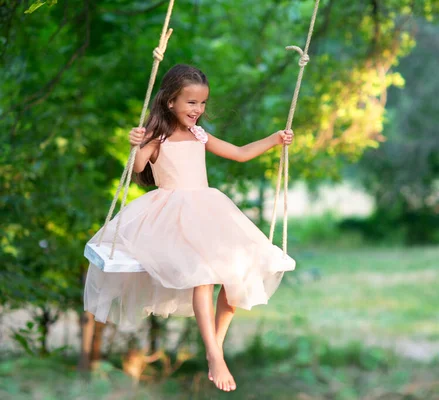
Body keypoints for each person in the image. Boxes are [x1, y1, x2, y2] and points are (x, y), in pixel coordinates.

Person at [84, 64, 296, 392]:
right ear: (170, 102)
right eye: (191, 103)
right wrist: (135, 143)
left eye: (202, 103)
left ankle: (216, 347)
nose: (198, 110)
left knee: (236, 275)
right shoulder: (159, 137)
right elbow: (139, 167)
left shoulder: (200, 134)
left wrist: (275, 139)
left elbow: (239, 154)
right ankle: (213, 352)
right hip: (172, 216)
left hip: (210, 212)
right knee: (204, 276)